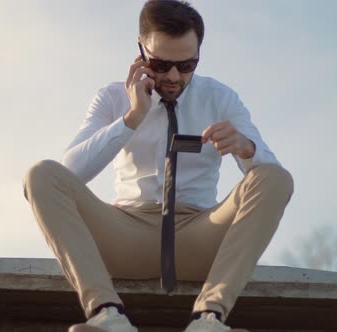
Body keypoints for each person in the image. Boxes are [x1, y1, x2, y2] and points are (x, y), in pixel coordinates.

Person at [22, 1, 294, 331]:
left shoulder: (220, 98)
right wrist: (131, 118)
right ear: (141, 49)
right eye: (161, 64)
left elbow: (271, 176)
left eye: (187, 64)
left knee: (275, 178)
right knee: (40, 174)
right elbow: (69, 172)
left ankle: (208, 319)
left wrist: (245, 149)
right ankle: (107, 316)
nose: (174, 76)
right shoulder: (112, 98)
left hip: (199, 232)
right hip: (123, 232)